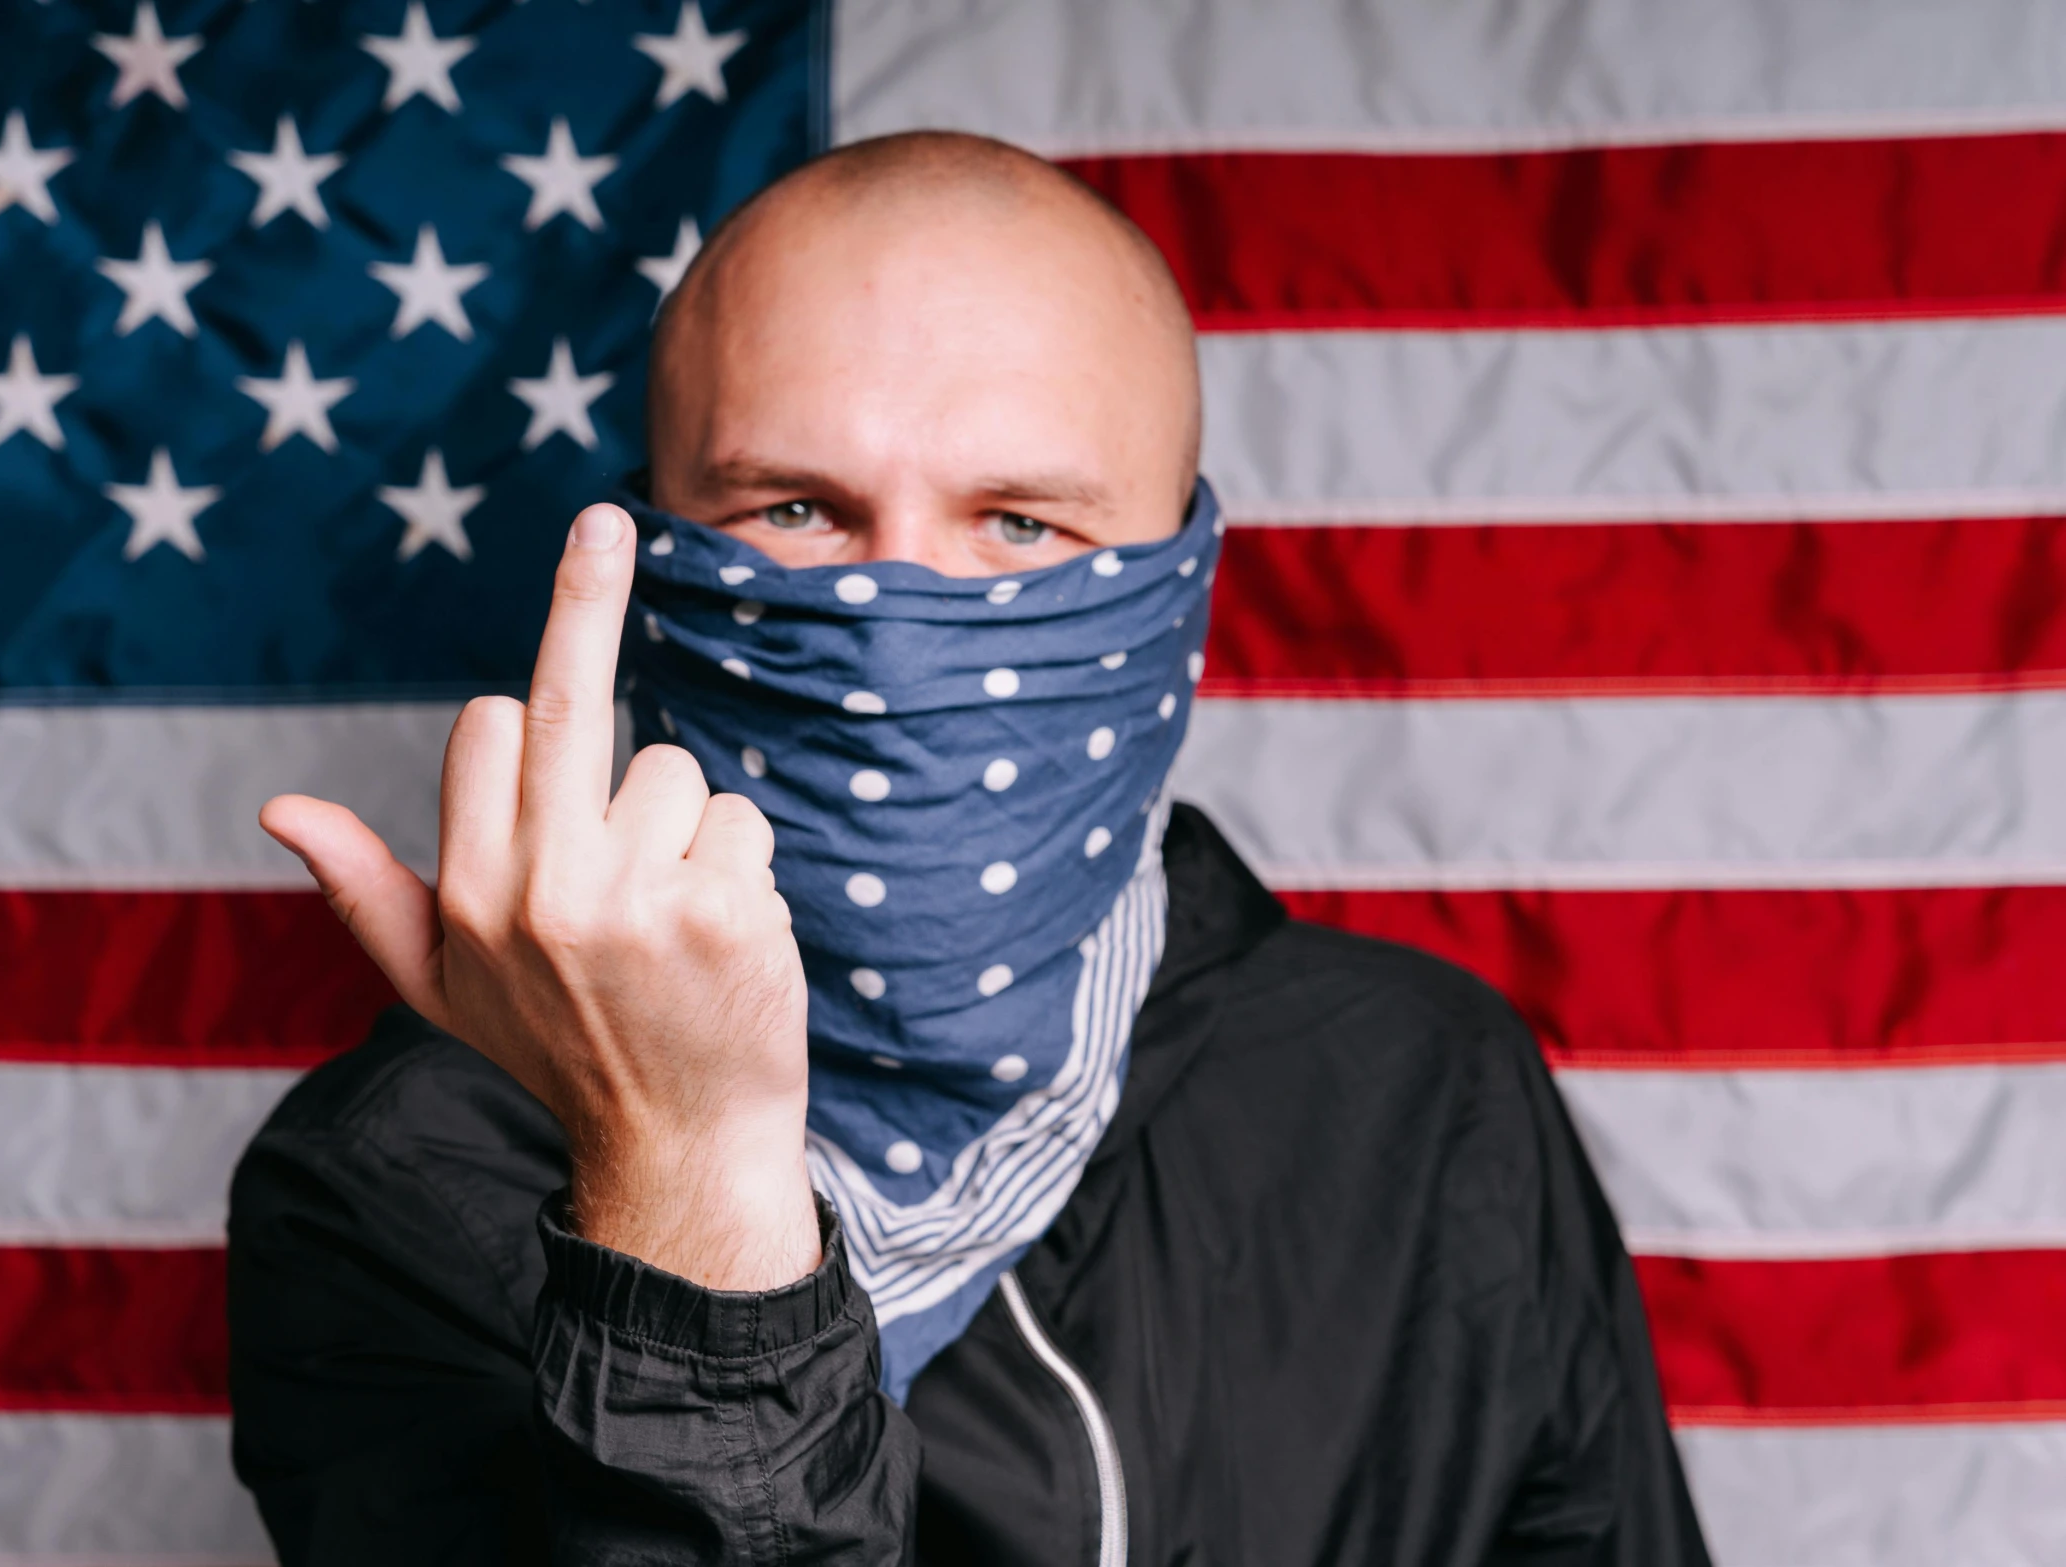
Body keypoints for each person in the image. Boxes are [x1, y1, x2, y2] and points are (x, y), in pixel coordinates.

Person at [229, 132, 1710, 1566]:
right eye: (796, 511)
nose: (894, 612)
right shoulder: (398, 1172)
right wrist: (676, 1174)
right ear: (659, 555)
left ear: (1174, 587)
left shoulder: (1416, 1079)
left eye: (1019, 526)